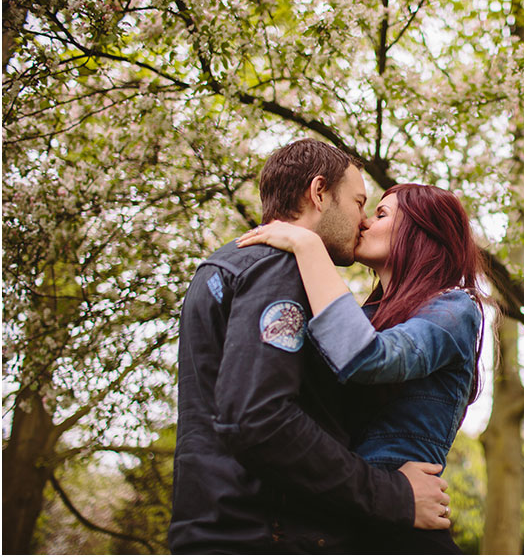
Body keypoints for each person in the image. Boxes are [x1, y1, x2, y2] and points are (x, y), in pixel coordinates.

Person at [169, 140, 451, 554]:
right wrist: (394, 494)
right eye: (359, 202)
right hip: (265, 533)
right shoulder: (279, 266)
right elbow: (260, 418)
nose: (362, 221)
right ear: (319, 193)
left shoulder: (225, 266)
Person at [237, 182, 486, 553]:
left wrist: (308, 246)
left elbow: (370, 359)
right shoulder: (365, 316)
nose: (365, 222)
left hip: (401, 532)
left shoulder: (453, 308)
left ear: (423, 232)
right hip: (343, 519)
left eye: (381, 214)